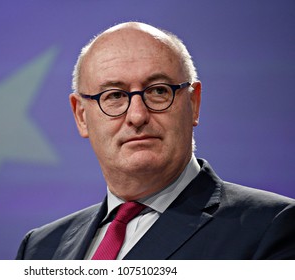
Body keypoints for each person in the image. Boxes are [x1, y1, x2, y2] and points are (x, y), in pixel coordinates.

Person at [16, 22, 295, 260]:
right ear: (81, 116)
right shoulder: (41, 248)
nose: (137, 115)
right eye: (114, 95)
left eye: (159, 91)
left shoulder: (271, 226)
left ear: (193, 104)